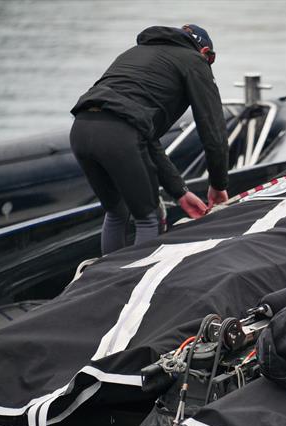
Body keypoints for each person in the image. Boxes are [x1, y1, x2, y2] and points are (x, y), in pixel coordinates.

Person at [70, 24, 230, 255]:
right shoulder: (195, 60)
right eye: (210, 60)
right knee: (148, 218)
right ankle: (134, 286)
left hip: (81, 130)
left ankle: (104, 283)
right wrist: (218, 184)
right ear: (204, 52)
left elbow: (145, 136)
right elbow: (213, 131)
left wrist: (180, 192)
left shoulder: (133, 54)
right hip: (120, 134)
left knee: (117, 212)